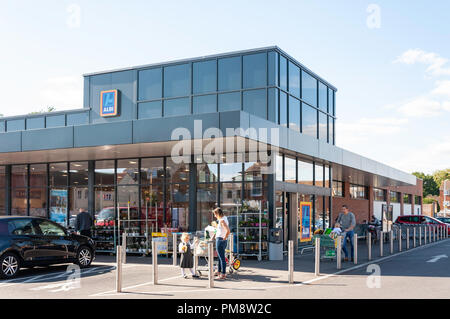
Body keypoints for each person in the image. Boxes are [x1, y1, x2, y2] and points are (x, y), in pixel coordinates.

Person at [213, 207, 230, 280]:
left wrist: (225, 237)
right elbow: (219, 230)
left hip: (220, 240)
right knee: (220, 257)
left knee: (222, 258)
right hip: (222, 240)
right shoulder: (224, 218)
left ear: (217, 214)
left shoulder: (222, 220)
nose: (214, 216)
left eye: (215, 214)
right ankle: (219, 272)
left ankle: (223, 274)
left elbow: (228, 230)